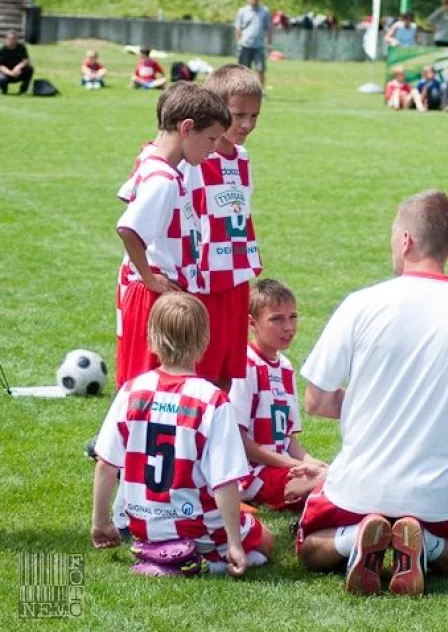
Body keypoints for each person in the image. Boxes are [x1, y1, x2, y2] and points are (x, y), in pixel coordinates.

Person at [296, 190, 448, 596]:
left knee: (310, 547)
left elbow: (318, 400)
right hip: (438, 494)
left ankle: (355, 538)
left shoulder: (361, 304)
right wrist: (440, 421)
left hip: (359, 484)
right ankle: (424, 544)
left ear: (407, 241)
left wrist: (372, 407)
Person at [90, 293, 274, 577]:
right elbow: (225, 480)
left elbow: (105, 464)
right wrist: (235, 544)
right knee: (267, 541)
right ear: (204, 342)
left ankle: (159, 553)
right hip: (198, 527)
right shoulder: (212, 400)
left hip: (144, 524)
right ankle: (205, 563)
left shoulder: (131, 391)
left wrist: (101, 522)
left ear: (150, 339)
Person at [114, 83, 231, 387]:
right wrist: (151, 279)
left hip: (153, 290)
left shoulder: (154, 160)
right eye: (211, 139)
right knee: (150, 385)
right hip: (153, 293)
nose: (213, 148)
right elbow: (129, 229)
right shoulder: (163, 180)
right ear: (187, 128)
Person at [188, 65, 265, 392]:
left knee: (228, 369)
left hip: (236, 276)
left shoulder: (242, 157)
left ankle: (218, 434)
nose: (246, 124)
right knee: (199, 366)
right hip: (205, 280)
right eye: (238, 115)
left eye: (254, 116)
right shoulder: (196, 159)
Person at [229, 279, 327, 510]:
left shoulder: (285, 367)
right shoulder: (244, 366)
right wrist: (296, 465)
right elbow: (241, 442)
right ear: (252, 323)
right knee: (322, 487)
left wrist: (310, 461)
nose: (288, 327)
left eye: (292, 317)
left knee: (330, 475)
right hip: (253, 473)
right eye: (276, 319)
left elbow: (288, 439)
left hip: (284, 467)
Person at [235, 0, 272, 91]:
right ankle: (243, 90)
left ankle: (261, 91)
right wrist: (239, 41)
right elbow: (238, 27)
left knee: (261, 69)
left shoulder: (265, 11)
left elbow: (268, 28)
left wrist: (269, 44)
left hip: (259, 46)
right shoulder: (242, 11)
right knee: (244, 70)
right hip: (245, 45)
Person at [0, 31, 33, 95]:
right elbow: (1, 66)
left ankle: (23, 91)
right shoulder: (2, 51)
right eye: (10, 39)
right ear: (6, 40)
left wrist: (18, 67)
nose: (12, 41)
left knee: (29, 69)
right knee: (1, 78)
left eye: (14, 39)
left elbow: (26, 61)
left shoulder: (21, 48)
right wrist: (11, 73)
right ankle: (4, 90)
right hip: (7, 74)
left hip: (18, 72)